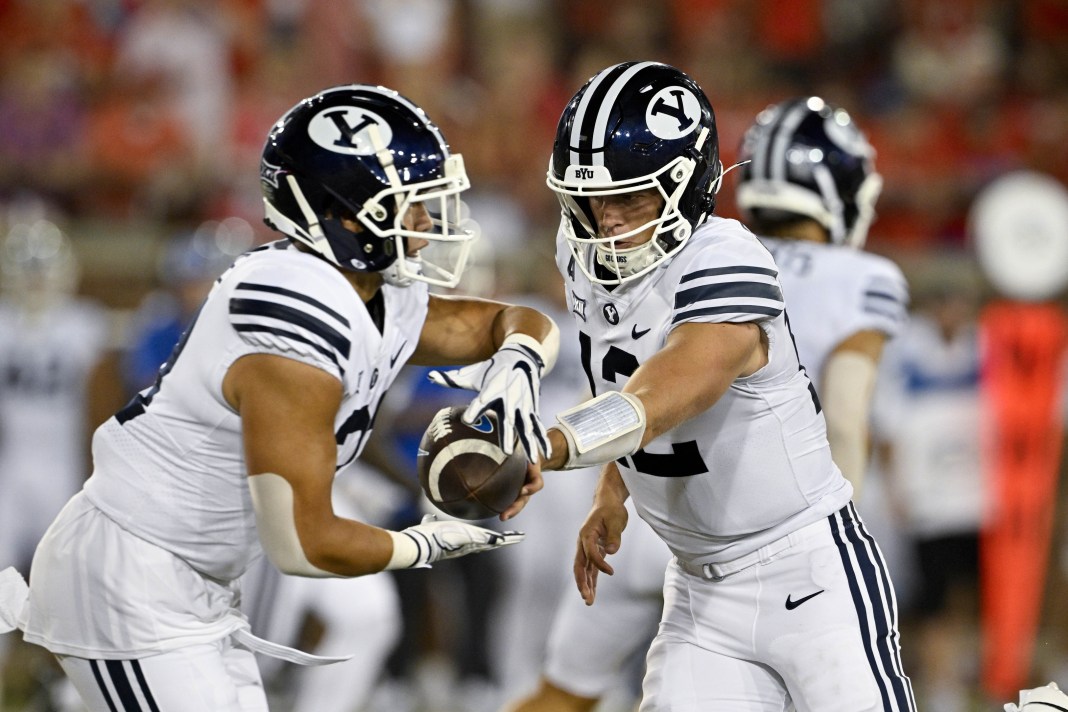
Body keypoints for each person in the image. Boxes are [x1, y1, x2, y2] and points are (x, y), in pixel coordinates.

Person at [0, 84, 560, 712]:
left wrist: (517, 368)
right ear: (349, 214)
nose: (430, 225)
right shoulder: (293, 323)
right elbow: (305, 542)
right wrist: (431, 541)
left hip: (195, 582)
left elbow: (511, 322)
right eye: (411, 207)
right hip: (131, 579)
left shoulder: (369, 290)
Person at [473, 62, 915, 711]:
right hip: (698, 588)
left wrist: (548, 445)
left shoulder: (725, 257)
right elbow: (623, 374)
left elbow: (667, 392)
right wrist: (612, 492)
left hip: (804, 570)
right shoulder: (584, 256)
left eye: (632, 197)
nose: (610, 219)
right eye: (595, 198)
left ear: (685, 186)